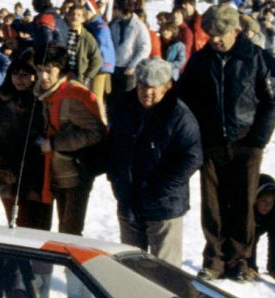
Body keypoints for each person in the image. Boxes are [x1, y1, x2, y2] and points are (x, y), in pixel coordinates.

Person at [178, 3, 275, 281]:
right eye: (210, 34)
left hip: (246, 142)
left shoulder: (258, 58)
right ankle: (215, 260)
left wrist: (258, 138)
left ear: (236, 30)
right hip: (213, 144)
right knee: (214, 202)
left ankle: (241, 260)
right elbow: (185, 99)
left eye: (220, 34)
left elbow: (271, 101)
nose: (215, 39)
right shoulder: (200, 60)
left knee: (244, 201)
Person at [107, 57, 202, 267]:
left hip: (163, 205)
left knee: (165, 271)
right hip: (129, 200)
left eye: (153, 87)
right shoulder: (124, 106)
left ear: (167, 86)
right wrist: (116, 179)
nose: (146, 92)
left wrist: (161, 188)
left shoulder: (179, 116)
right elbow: (112, 145)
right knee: (131, 267)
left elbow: (192, 157)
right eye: (142, 85)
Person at [34, 44, 105, 236]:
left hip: (75, 175)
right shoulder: (44, 93)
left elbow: (95, 132)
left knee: (70, 233)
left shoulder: (73, 95)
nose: (43, 77)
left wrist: (55, 143)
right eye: (39, 70)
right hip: (54, 173)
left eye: (49, 71)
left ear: (61, 70)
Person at [0, 47, 52, 230]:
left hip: (38, 174)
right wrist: (3, 167)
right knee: (19, 224)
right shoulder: (0, 100)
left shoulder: (43, 100)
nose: (20, 79)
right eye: (16, 74)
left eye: (25, 75)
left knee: (41, 225)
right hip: (9, 174)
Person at [110, 0, 149, 97]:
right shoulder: (115, 24)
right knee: (113, 99)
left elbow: (145, 48)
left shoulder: (139, 26)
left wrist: (133, 65)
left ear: (121, 9)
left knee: (127, 99)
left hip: (129, 70)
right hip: (114, 68)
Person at [62, 0, 101, 89]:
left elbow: (97, 60)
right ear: (67, 16)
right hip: (62, 76)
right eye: (72, 14)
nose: (75, 17)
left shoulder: (87, 37)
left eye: (79, 15)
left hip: (78, 78)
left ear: (83, 19)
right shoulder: (61, 33)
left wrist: (87, 77)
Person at [252, 174, 275, 277]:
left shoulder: (273, 213)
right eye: (264, 201)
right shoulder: (247, 211)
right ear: (256, 199)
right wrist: (250, 265)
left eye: (271, 202)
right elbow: (250, 239)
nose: (267, 206)